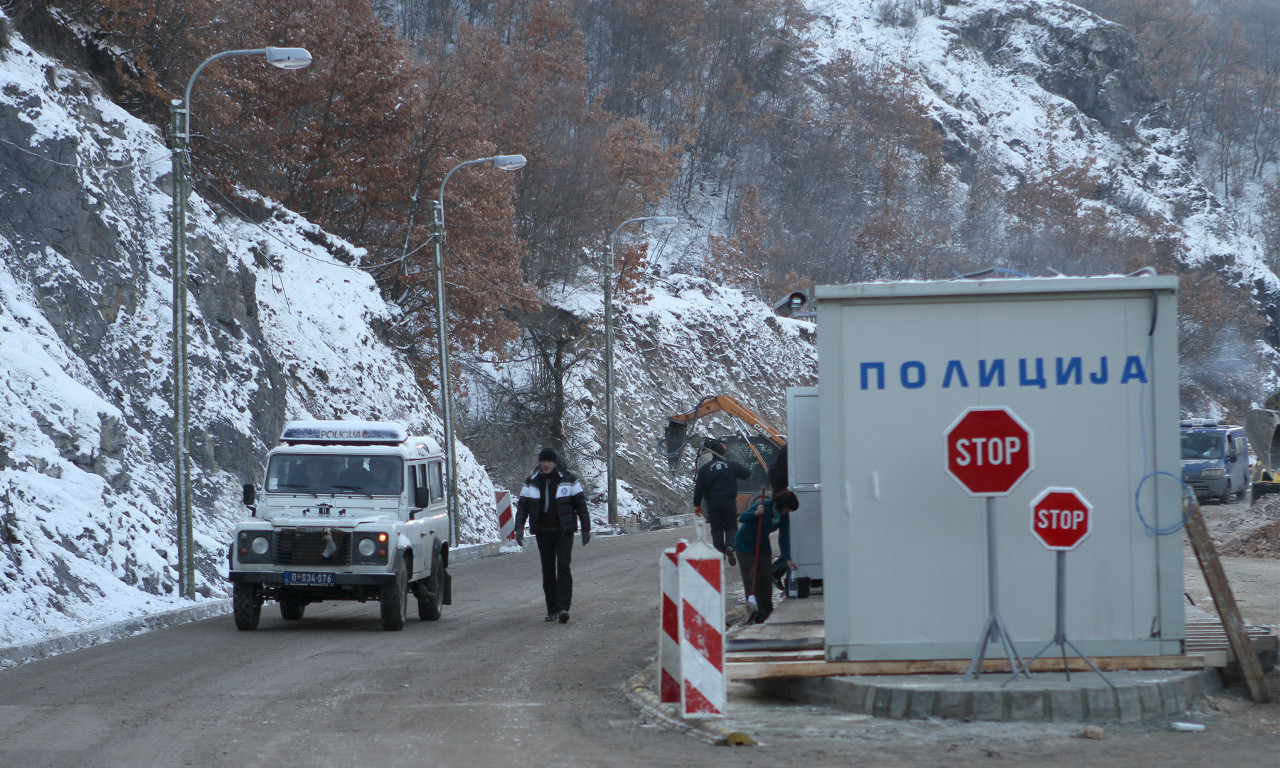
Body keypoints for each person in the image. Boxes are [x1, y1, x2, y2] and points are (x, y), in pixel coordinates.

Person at [514, 447, 591, 623]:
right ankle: (552, 610)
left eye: (549, 461)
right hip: (543, 532)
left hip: (563, 532)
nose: (546, 464)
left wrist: (586, 528)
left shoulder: (569, 480)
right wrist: (518, 528)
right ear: (540, 462)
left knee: (563, 567)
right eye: (543, 461)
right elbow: (522, 507)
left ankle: (564, 608)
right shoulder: (532, 481)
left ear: (555, 462)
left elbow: (581, 505)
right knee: (548, 571)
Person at [733, 489, 798, 624]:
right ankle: (755, 613)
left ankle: (767, 612)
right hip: (745, 545)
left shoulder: (783, 517)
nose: (788, 512)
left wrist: (787, 559)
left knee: (766, 577)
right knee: (753, 578)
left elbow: (784, 539)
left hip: (762, 546)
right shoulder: (764, 505)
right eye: (787, 509)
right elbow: (742, 517)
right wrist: (756, 513)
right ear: (781, 504)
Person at [692, 439, 751, 567]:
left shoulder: (705, 469)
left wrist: (697, 504)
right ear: (723, 452)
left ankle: (719, 554)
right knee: (731, 527)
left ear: (712, 454)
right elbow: (746, 473)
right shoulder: (731, 465)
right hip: (729, 501)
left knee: (716, 529)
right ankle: (730, 546)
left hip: (712, 503)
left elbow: (699, 488)